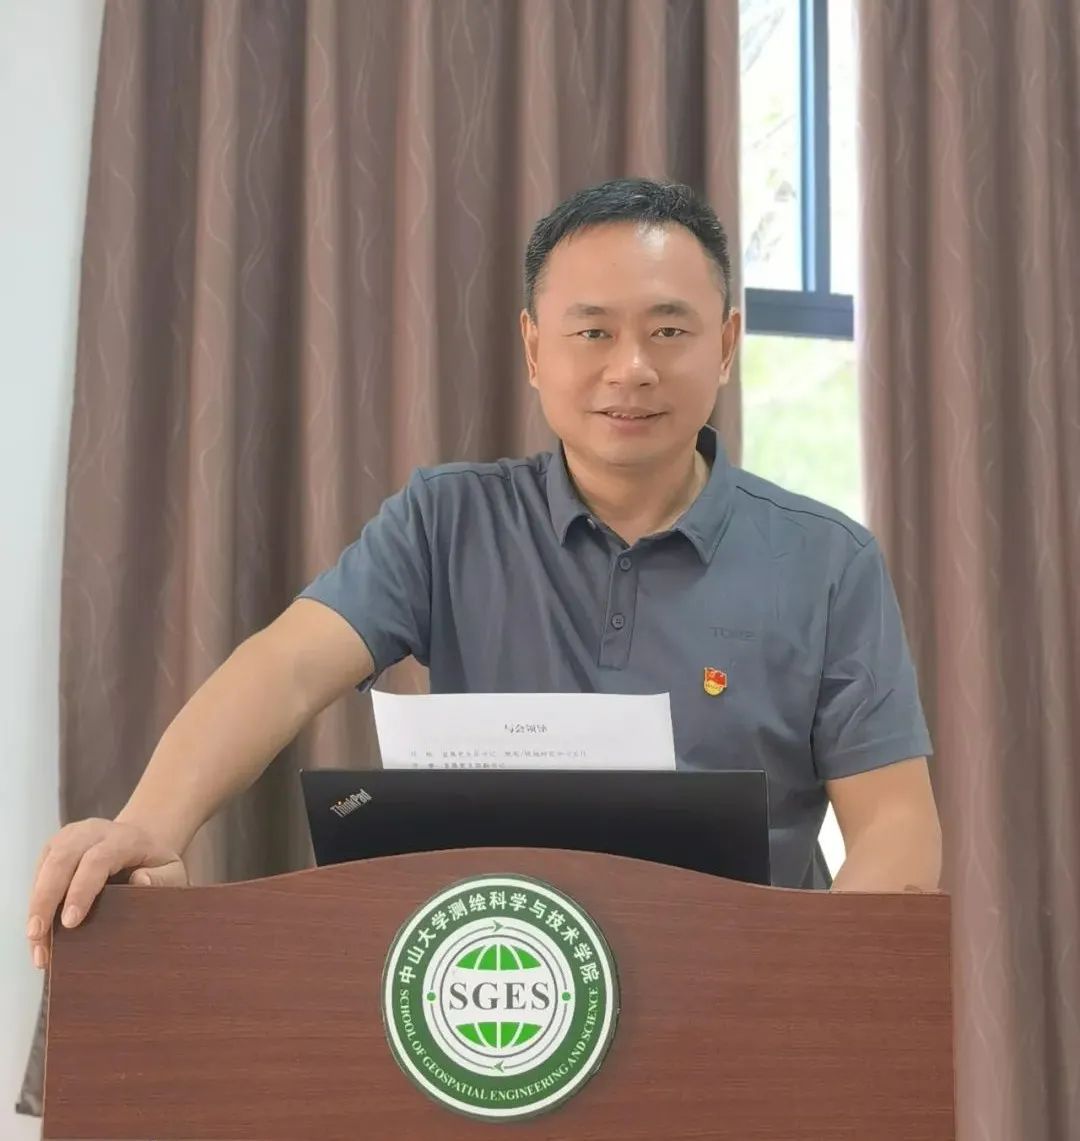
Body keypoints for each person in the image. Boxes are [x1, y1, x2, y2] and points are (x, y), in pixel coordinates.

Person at [26, 177, 941, 969]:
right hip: (491, 982)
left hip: (738, 992)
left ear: (728, 343)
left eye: (669, 330)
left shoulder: (828, 560)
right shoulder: (446, 521)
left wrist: (804, 979)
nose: (632, 369)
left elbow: (896, 823)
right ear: (535, 350)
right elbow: (288, 666)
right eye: (593, 332)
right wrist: (149, 823)